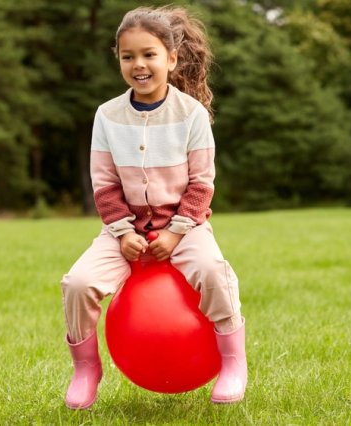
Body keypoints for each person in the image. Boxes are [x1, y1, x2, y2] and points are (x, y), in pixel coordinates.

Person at [60, 6, 246, 409]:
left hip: (186, 227)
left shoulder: (191, 115)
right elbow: (105, 184)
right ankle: (86, 367)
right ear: (119, 60)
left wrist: (177, 231)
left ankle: (233, 360)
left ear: (171, 59)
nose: (138, 65)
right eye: (128, 56)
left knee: (214, 271)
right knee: (77, 283)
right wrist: (124, 232)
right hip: (123, 232)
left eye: (149, 54)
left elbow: (202, 183)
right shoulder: (107, 116)